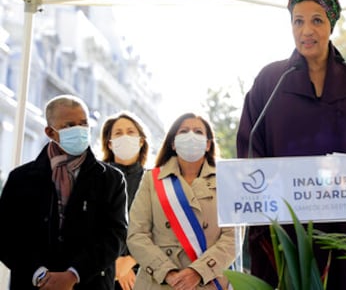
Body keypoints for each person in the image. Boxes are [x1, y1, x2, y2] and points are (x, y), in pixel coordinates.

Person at [236, 0, 346, 289]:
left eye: (317, 20)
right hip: (286, 231)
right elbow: (250, 151)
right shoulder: (270, 80)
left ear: (331, 25)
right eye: (298, 21)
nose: (307, 31)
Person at [0, 94, 128, 290]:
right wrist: (39, 274)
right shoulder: (21, 178)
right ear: (50, 132)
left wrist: (73, 274)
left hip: (90, 284)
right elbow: (7, 234)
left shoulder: (111, 179)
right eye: (70, 125)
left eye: (84, 123)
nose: (80, 130)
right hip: (32, 283)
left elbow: (114, 235)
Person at [127, 113, 236, 289]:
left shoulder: (227, 180)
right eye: (184, 131)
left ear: (208, 144)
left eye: (198, 132)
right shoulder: (152, 179)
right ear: (173, 143)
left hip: (208, 280)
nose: (191, 136)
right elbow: (137, 234)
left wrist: (197, 272)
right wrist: (167, 272)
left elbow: (233, 238)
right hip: (159, 281)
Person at [101, 111, 150, 290]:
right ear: (110, 143)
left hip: (143, 274)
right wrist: (114, 263)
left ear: (141, 140)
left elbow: (161, 229)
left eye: (131, 132)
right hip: (101, 273)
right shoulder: (95, 178)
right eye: (118, 133)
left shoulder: (154, 181)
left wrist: (129, 261)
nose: (125, 137)